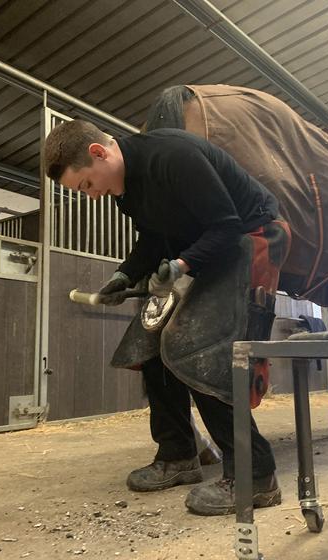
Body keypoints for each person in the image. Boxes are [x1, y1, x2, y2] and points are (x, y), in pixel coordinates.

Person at [44, 119, 291, 516]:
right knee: (148, 342)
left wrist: (181, 264)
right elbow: (154, 236)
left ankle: (255, 476)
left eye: (86, 185)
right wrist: (124, 274)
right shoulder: (126, 190)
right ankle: (178, 455)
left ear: (98, 153)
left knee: (195, 346)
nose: (90, 196)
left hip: (251, 236)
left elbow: (226, 227)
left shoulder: (175, 156)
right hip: (204, 246)